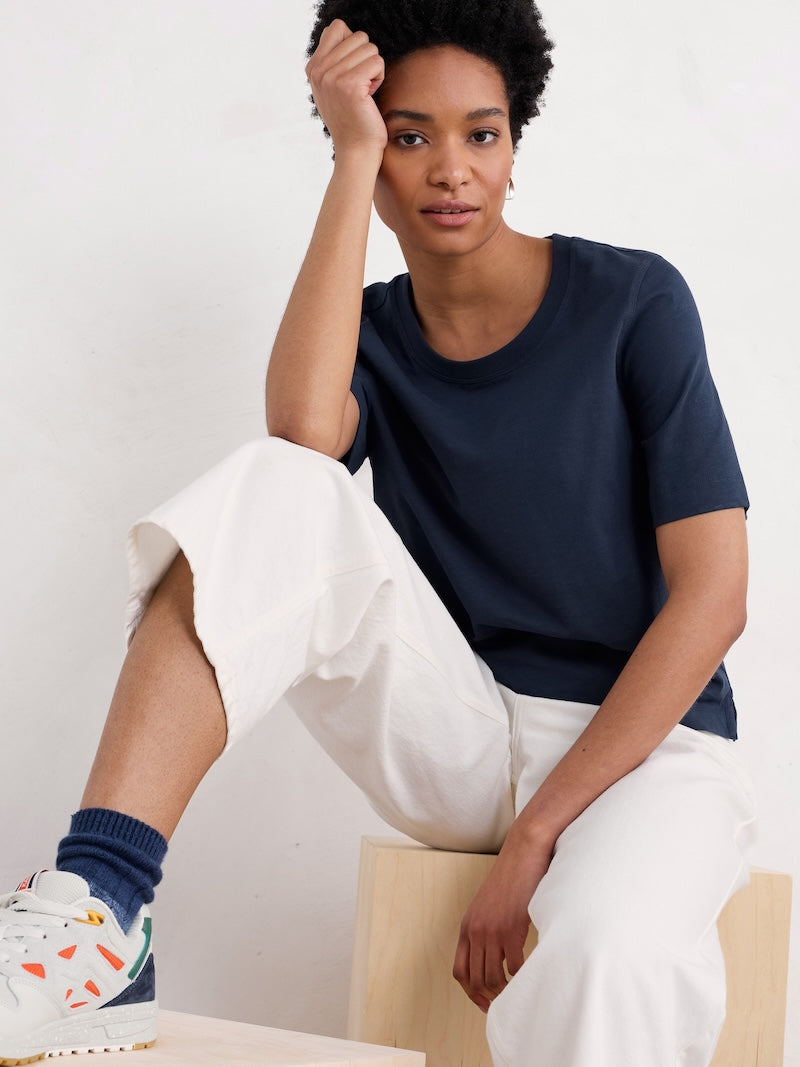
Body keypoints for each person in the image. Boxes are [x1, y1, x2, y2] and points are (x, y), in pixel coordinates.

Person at [0, 1, 757, 1065]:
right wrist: (350, 151)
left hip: (651, 754)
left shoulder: (630, 301)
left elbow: (714, 597)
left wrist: (538, 834)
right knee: (284, 482)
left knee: (604, 953)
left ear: (511, 151)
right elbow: (303, 437)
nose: (449, 168)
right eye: (410, 136)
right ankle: (102, 906)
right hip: (466, 735)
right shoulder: (378, 335)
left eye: (479, 133)